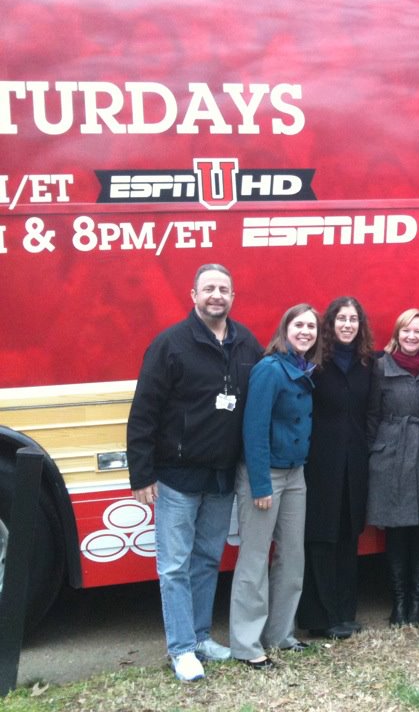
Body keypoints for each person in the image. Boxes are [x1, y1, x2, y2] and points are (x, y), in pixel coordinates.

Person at [127, 263, 262, 682]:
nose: (216, 295)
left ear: (233, 297)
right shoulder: (170, 344)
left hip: (221, 476)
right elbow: (144, 412)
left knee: (206, 560)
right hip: (177, 477)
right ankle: (182, 649)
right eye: (208, 289)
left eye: (224, 288)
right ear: (193, 295)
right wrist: (141, 474)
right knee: (174, 565)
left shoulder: (246, 344)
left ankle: (201, 637)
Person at [230, 303, 317, 669]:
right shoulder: (269, 369)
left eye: (312, 327)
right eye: (299, 325)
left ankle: (280, 634)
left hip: (295, 474)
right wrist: (261, 484)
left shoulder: (302, 367)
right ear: (286, 328)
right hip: (264, 476)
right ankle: (248, 646)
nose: (306, 331)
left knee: (292, 556)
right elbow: (254, 428)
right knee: (254, 559)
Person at [367, 309, 419, 626]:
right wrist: (373, 451)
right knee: (396, 531)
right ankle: (398, 601)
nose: (412, 336)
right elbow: (372, 414)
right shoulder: (380, 367)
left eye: (418, 331)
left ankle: (418, 602)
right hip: (391, 452)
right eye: (406, 331)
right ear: (397, 333)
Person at [297, 297, 375, 640]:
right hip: (319, 465)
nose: (347, 324)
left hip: (354, 464)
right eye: (341, 318)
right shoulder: (314, 363)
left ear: (361, 325)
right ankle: (320, 616)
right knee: (319, 538)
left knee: (347, 536)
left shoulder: (367, 363)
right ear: (330, 324)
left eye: (353, 319)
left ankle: (344, 612)